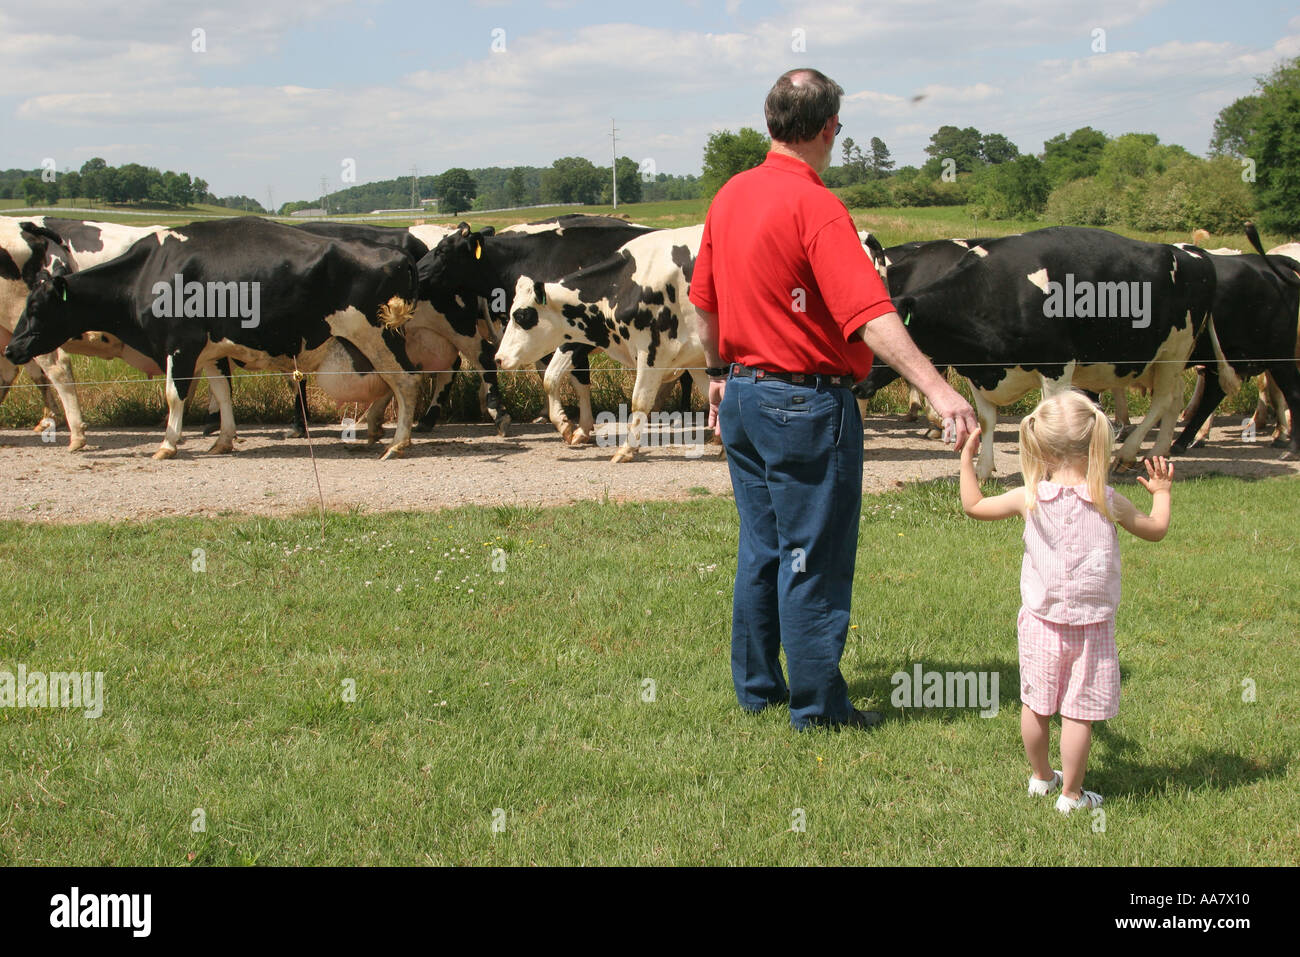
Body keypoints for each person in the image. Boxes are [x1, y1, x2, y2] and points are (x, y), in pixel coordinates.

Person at [689, 68, 978, 731]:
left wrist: (717, 374)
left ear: (770, 124)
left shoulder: (729, 196)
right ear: (828, 130)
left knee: (764, 547)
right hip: (805, 404)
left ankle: (760, 689)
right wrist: (938, 389)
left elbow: (702, 301)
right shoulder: (816, 205)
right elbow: (868, 313)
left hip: (743, 396)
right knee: (812, 554)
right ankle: (819, 710)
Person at [958, 390, 1173, 813]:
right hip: (1092, 628)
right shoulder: (1109, 500)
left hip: (1040, 624)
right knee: (1079, 713)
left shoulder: (1030, 496)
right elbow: (1156, 530)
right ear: (1096, 441)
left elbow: (974, 505)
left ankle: (1041, 777)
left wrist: (967, 463)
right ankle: (1072, 796)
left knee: (1035, 705)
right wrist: (1162, 492)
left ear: (1042, 445)